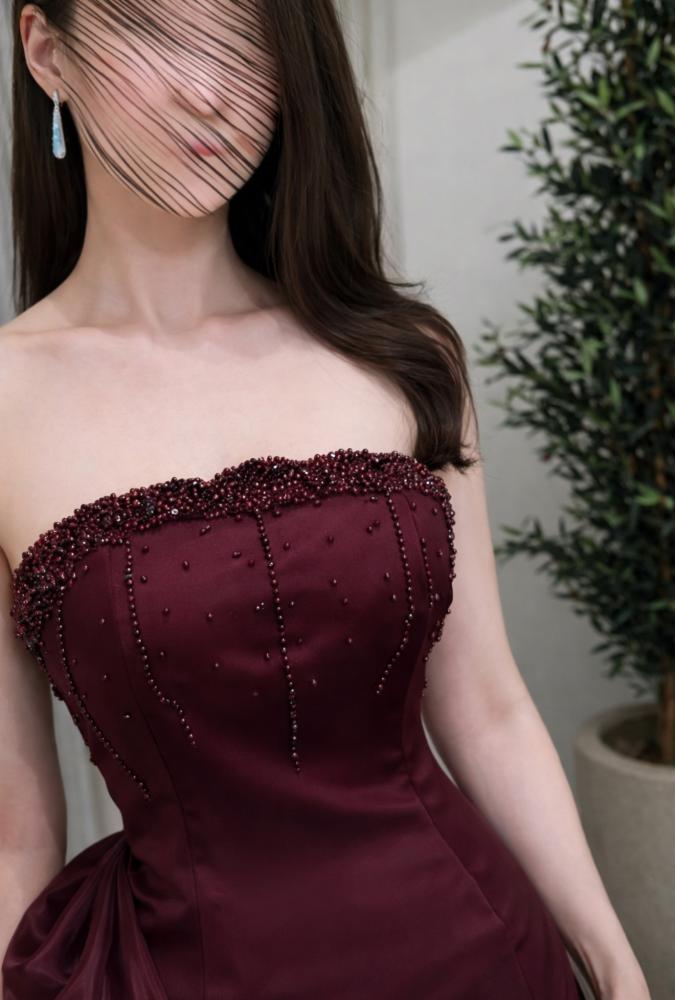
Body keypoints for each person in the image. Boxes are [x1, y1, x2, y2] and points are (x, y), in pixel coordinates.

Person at [0, 1, 649, 998]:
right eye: (160, 36)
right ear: (49, 53)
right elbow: (15, 834)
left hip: (480, 958)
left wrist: (614, 963)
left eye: (248, 46)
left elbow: (487, 710)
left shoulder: (404, 358)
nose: (208, 92)